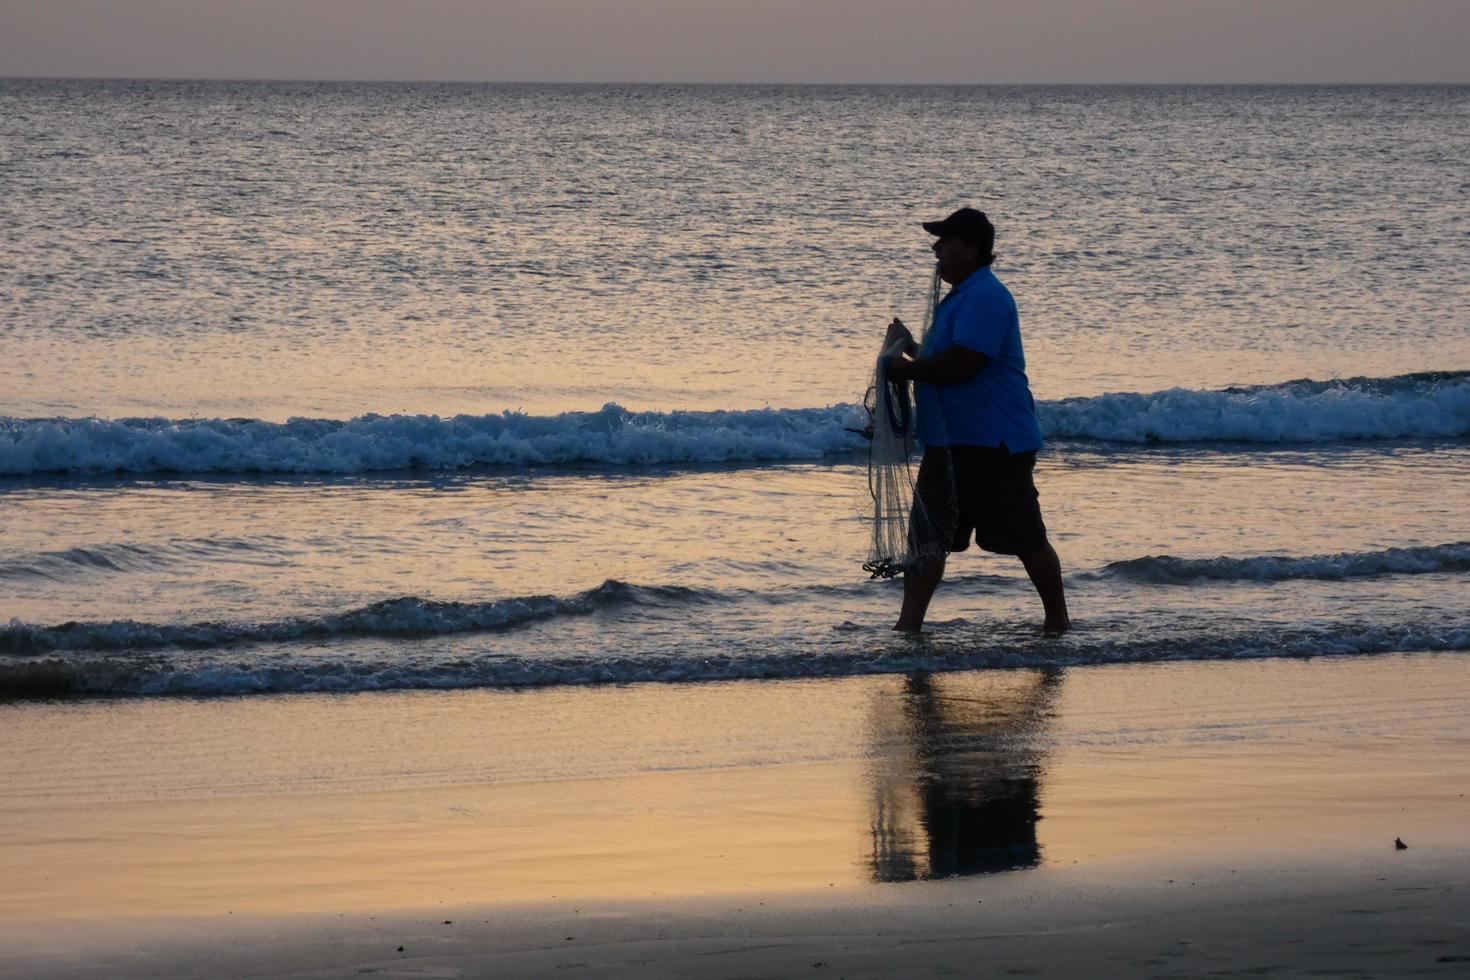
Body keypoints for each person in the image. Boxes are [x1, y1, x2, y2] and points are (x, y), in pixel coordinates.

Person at [883, 207, 1070, 633]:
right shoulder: (962, 297)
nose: (935, 250)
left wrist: (906, 370)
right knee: (926, 542)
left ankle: (1058, 623)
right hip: (950, 443)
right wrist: (909, 348)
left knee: (1026, 537)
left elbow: (965, 365)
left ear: (969, 247)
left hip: (993, 444)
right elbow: (945, 359)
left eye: (943, 241)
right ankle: (907, 628)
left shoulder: (985, 296)